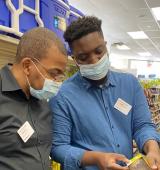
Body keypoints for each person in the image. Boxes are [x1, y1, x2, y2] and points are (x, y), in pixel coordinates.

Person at [50, 16, 160, 170]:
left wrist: (153, 149)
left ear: (105, 46)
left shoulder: (130, 84)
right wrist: (96, 159)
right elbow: (58, 148)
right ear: (75, 59)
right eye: (83, 57)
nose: (94, 61)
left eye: (98, 51)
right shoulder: (63, 95)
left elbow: (142, 126)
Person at [0, 27, 67, 170]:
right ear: (27, 66)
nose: (57, 82)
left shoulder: (41, 99)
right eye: (53, 73)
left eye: (60, 76)